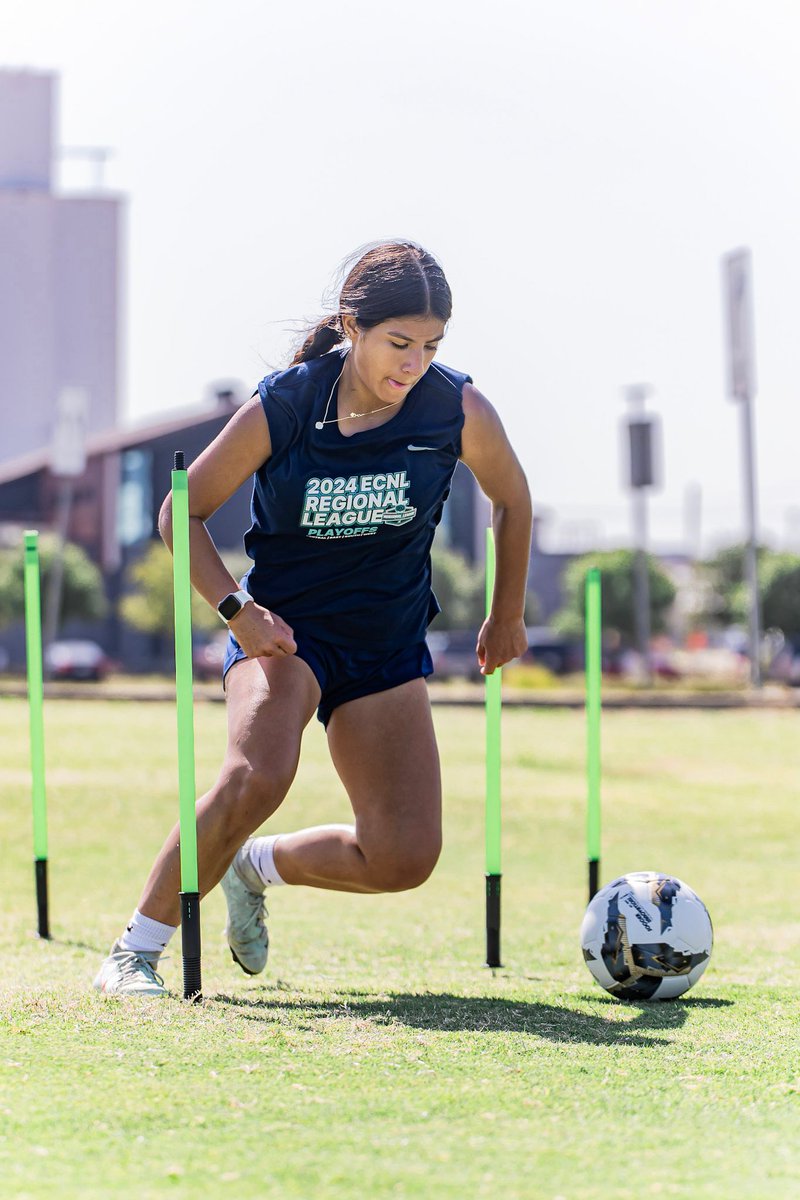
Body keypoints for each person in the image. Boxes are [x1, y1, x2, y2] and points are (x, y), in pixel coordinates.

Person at [94, 240, 532, 996]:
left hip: (384, 647)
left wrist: (508, 614)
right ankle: (135, 952)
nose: (413, 364)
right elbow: (181, 511)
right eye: (398, 343)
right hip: (285, 636)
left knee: (403, 859)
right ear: (351, 328)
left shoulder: (456, 408)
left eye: (430, 346)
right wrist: (238, 612)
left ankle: (253, 866)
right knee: (258, 774)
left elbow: (512, 500)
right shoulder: (288, 403)